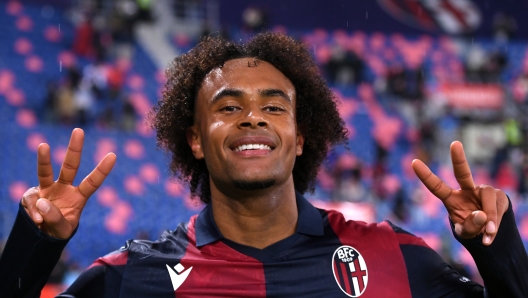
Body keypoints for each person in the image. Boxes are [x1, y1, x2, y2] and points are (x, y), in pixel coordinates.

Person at [1, 33, 527, 297]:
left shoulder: (395, 256)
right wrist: (34, 244)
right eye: (229, 107)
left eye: (274, 106)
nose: (253, 118)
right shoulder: (131, 278)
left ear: (300, 138)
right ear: (196, 141)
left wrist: (498, 248)